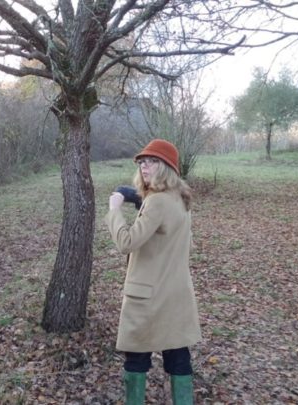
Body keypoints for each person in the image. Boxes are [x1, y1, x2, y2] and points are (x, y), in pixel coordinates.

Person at [105, 139, 201, 405]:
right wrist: (141, 202)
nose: (145, 166)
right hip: (176, 294)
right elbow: (170, 232)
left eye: (153, 162)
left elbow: (126, 243)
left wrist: (114, 210)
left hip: (147, 296)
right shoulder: (180, 198)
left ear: (167, 167)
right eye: (142, 162)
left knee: (136, 359)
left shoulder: (157, 202)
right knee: (178, 358)